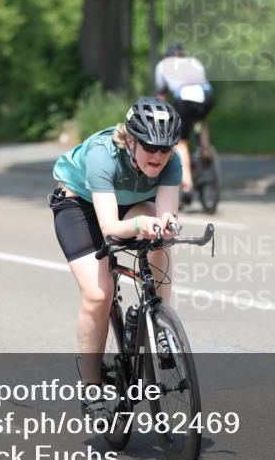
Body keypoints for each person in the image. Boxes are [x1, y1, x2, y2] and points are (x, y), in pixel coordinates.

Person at [49, 96, 183, 422]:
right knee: (98, 293)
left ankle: (157, 318)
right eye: (150, 147)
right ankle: (91, 387)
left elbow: (166, 216)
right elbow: (110, 226)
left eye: (165, 149)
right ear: (132, 140)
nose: (158, 156)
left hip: (130, 205)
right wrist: (140, 224)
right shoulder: (102, 156)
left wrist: (166, 224)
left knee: (159, 239)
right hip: (80, 206)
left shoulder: (172, 161)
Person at [155, 42, 215, 193]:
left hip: (184, 99)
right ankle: (205, 150)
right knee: (200, 120)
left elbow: (161, 96)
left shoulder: (162, 65)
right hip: (207, 96)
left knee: (181, 141)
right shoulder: (194, 62)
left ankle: (187, 183)